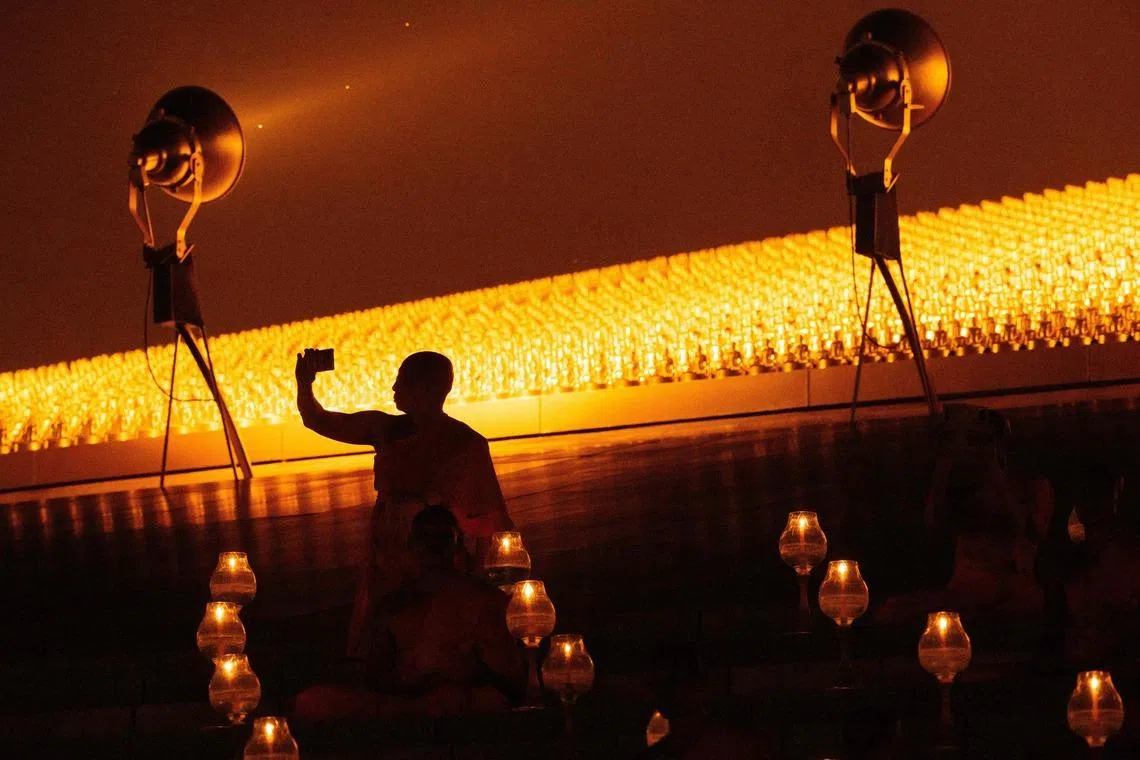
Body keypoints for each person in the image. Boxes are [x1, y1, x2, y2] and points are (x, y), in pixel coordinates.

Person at [295, 348, 515, 657]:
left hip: (437, 549)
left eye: (402, 382)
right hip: (389, 547)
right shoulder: (386, 429)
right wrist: (304, 385)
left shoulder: (466, 443)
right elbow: (318, 420)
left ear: (427, 388)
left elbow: (490, 515)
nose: (394, 389)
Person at [293, 506, 527, 720]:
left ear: (457, 544)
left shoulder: (484, 600)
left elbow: (509, 683)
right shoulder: (395, 603)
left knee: (470, 702)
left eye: (440, 538)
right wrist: (408, 681)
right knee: (312, 701)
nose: (431, 547)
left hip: (459, 703)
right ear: (412, 545)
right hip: (405, 705)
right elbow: (375, 678)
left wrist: (460, 671)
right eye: (424, 538)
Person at [877, 404, 1052, 624]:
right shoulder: (964, 484)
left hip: (1011, 592)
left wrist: (994, 471)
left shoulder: (1033, 486)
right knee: (890, 610)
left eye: (983, 440)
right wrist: (943, 467)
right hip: (963, 591)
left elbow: (1023, 530)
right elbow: (934, 525)